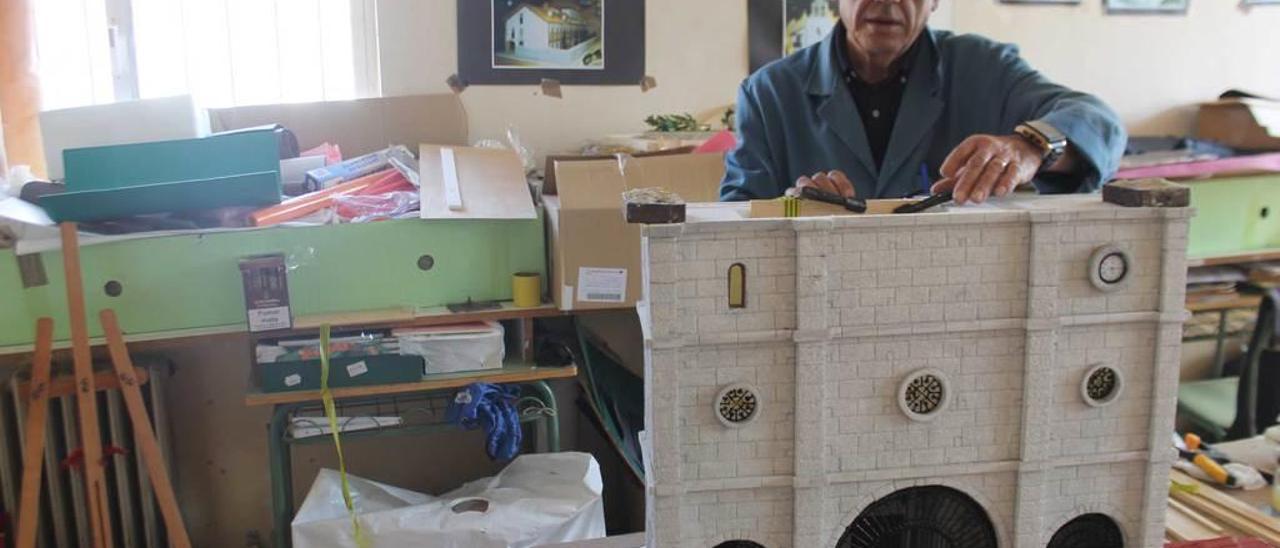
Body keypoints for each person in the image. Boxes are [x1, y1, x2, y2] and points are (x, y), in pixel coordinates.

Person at [720, 0, 1126, 205]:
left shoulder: (985, 67)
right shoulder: (768, 93)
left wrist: (1030, 146)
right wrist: (793, 210)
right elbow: (734, 222)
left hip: (957, 308)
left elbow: (1101, 122)